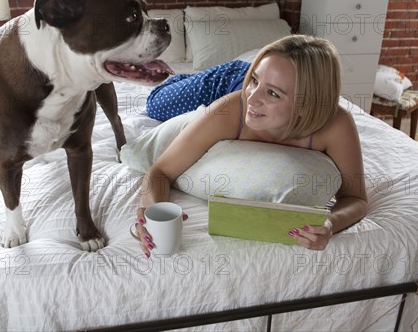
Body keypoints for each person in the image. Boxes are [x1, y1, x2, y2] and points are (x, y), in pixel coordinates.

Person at [135, 35, 367, 256]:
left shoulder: (336, 124)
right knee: (157, 104)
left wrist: (329, 224)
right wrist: (156, 211)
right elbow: (160, 171)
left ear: (306, 105)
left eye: (273, 94)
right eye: (255, 81)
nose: (253, 99)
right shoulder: (231, 107)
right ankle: (198, 76)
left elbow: (355, 198)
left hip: (248, 82)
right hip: (227, 82)